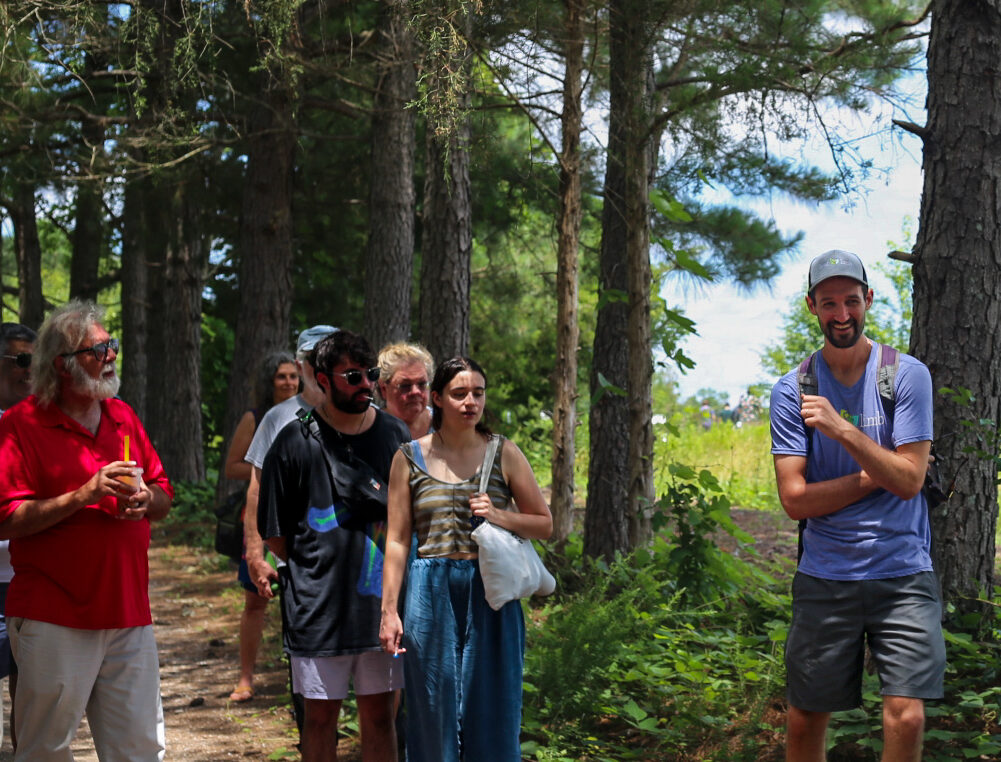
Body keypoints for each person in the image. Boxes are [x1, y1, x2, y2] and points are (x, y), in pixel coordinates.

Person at [769, 250, 945, 762]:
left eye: (851, 301)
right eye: (829, 303)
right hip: (825, 573)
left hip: (903, 570)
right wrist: (877, 473)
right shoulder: (792, 390)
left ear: (868, 300)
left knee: (907, 716)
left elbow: (910, 480)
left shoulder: (906, 375)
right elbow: (795, 501)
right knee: (804, 719)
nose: (841, 314)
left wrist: (843, 429)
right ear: (812, 307)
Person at [0, 300, 173, 761]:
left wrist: (145, 500)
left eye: (111, 345)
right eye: (98, 349)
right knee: (45, 751)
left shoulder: (122, 415)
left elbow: (163, 493)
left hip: (129, 612)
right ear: (62, 363)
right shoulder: (21, 425)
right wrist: (84, 494)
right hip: (54, 614)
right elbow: (7, 517)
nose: (111, 354)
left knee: (140, 749)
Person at [379, 356, 553, 762]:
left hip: (490, 592)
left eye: (478, 392)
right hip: (428, 593)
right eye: (459, 393)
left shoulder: (504, 452)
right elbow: (398, 540)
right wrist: (390, 610)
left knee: (493, 713)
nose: (470, 401)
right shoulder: (408, 458)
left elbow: (544, 524)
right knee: (430, 712)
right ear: (436, 399)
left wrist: (499, 515)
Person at [259, 330, 409, 762]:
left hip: (382, 609)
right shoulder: (293, 441)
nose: (365, 384)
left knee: (381, 717)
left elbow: (408, 519)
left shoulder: (395, 435)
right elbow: (274, 532)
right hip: (317, 612)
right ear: (322, 380)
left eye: (371, 374)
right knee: (319, 721)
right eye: (352, 376)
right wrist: (315, 572)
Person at [241, 325, 334, 728]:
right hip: (296, 563)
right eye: (313, 358)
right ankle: (312, 743)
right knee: (306, 673)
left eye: (329, 356)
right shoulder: (278, 418)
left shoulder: (367, 414)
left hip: (358, 565)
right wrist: (255, 554)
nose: (320, 365)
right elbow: (256, 491)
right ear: (301, 364)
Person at [226, 350, 300, 703]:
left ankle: (299, 678)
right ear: (269, 382)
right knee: (255, 602)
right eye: (281, 377)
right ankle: (245, 678)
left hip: (299, 522)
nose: (288, 382)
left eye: (292, 376)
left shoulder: (314, 416)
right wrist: (270, 468)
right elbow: (233, 467)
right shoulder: (256, 418)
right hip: (260, 517)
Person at [0, 322, 36, 752]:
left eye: (36, 360)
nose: (30, 370)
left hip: (30, 573)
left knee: (28, 689)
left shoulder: (43, 421)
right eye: (21, 360)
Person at [377, 342, 434, 439]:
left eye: (422, 384)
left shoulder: (446, 425)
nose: (415, 391)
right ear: (384, 389)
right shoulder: (370, 429)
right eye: (405, 385)